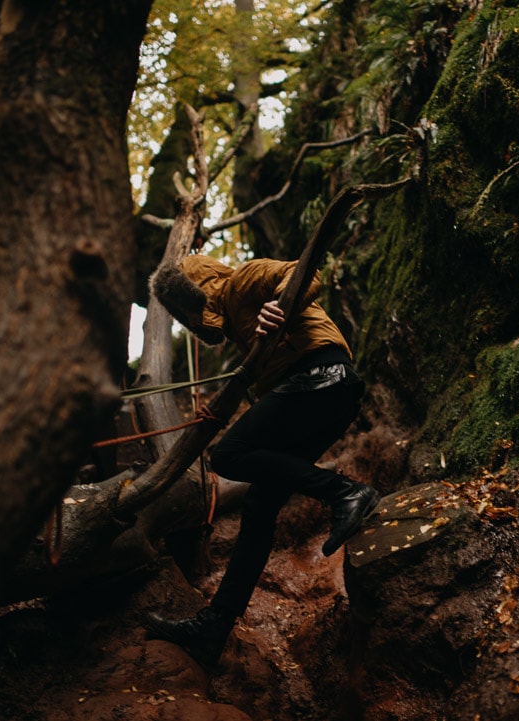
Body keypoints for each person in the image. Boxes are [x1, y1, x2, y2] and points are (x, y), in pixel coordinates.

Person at [142, 253, 381, 667]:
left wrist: (282, 306)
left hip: (322, 376)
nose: (190, 321)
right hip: (320, 391)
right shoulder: (236, 325)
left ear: (196, 289)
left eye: (185, 309)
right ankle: (215, 626)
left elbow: (304, 273)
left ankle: (346, 492)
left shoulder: (242, 281)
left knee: (228, 455)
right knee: (258, 508)